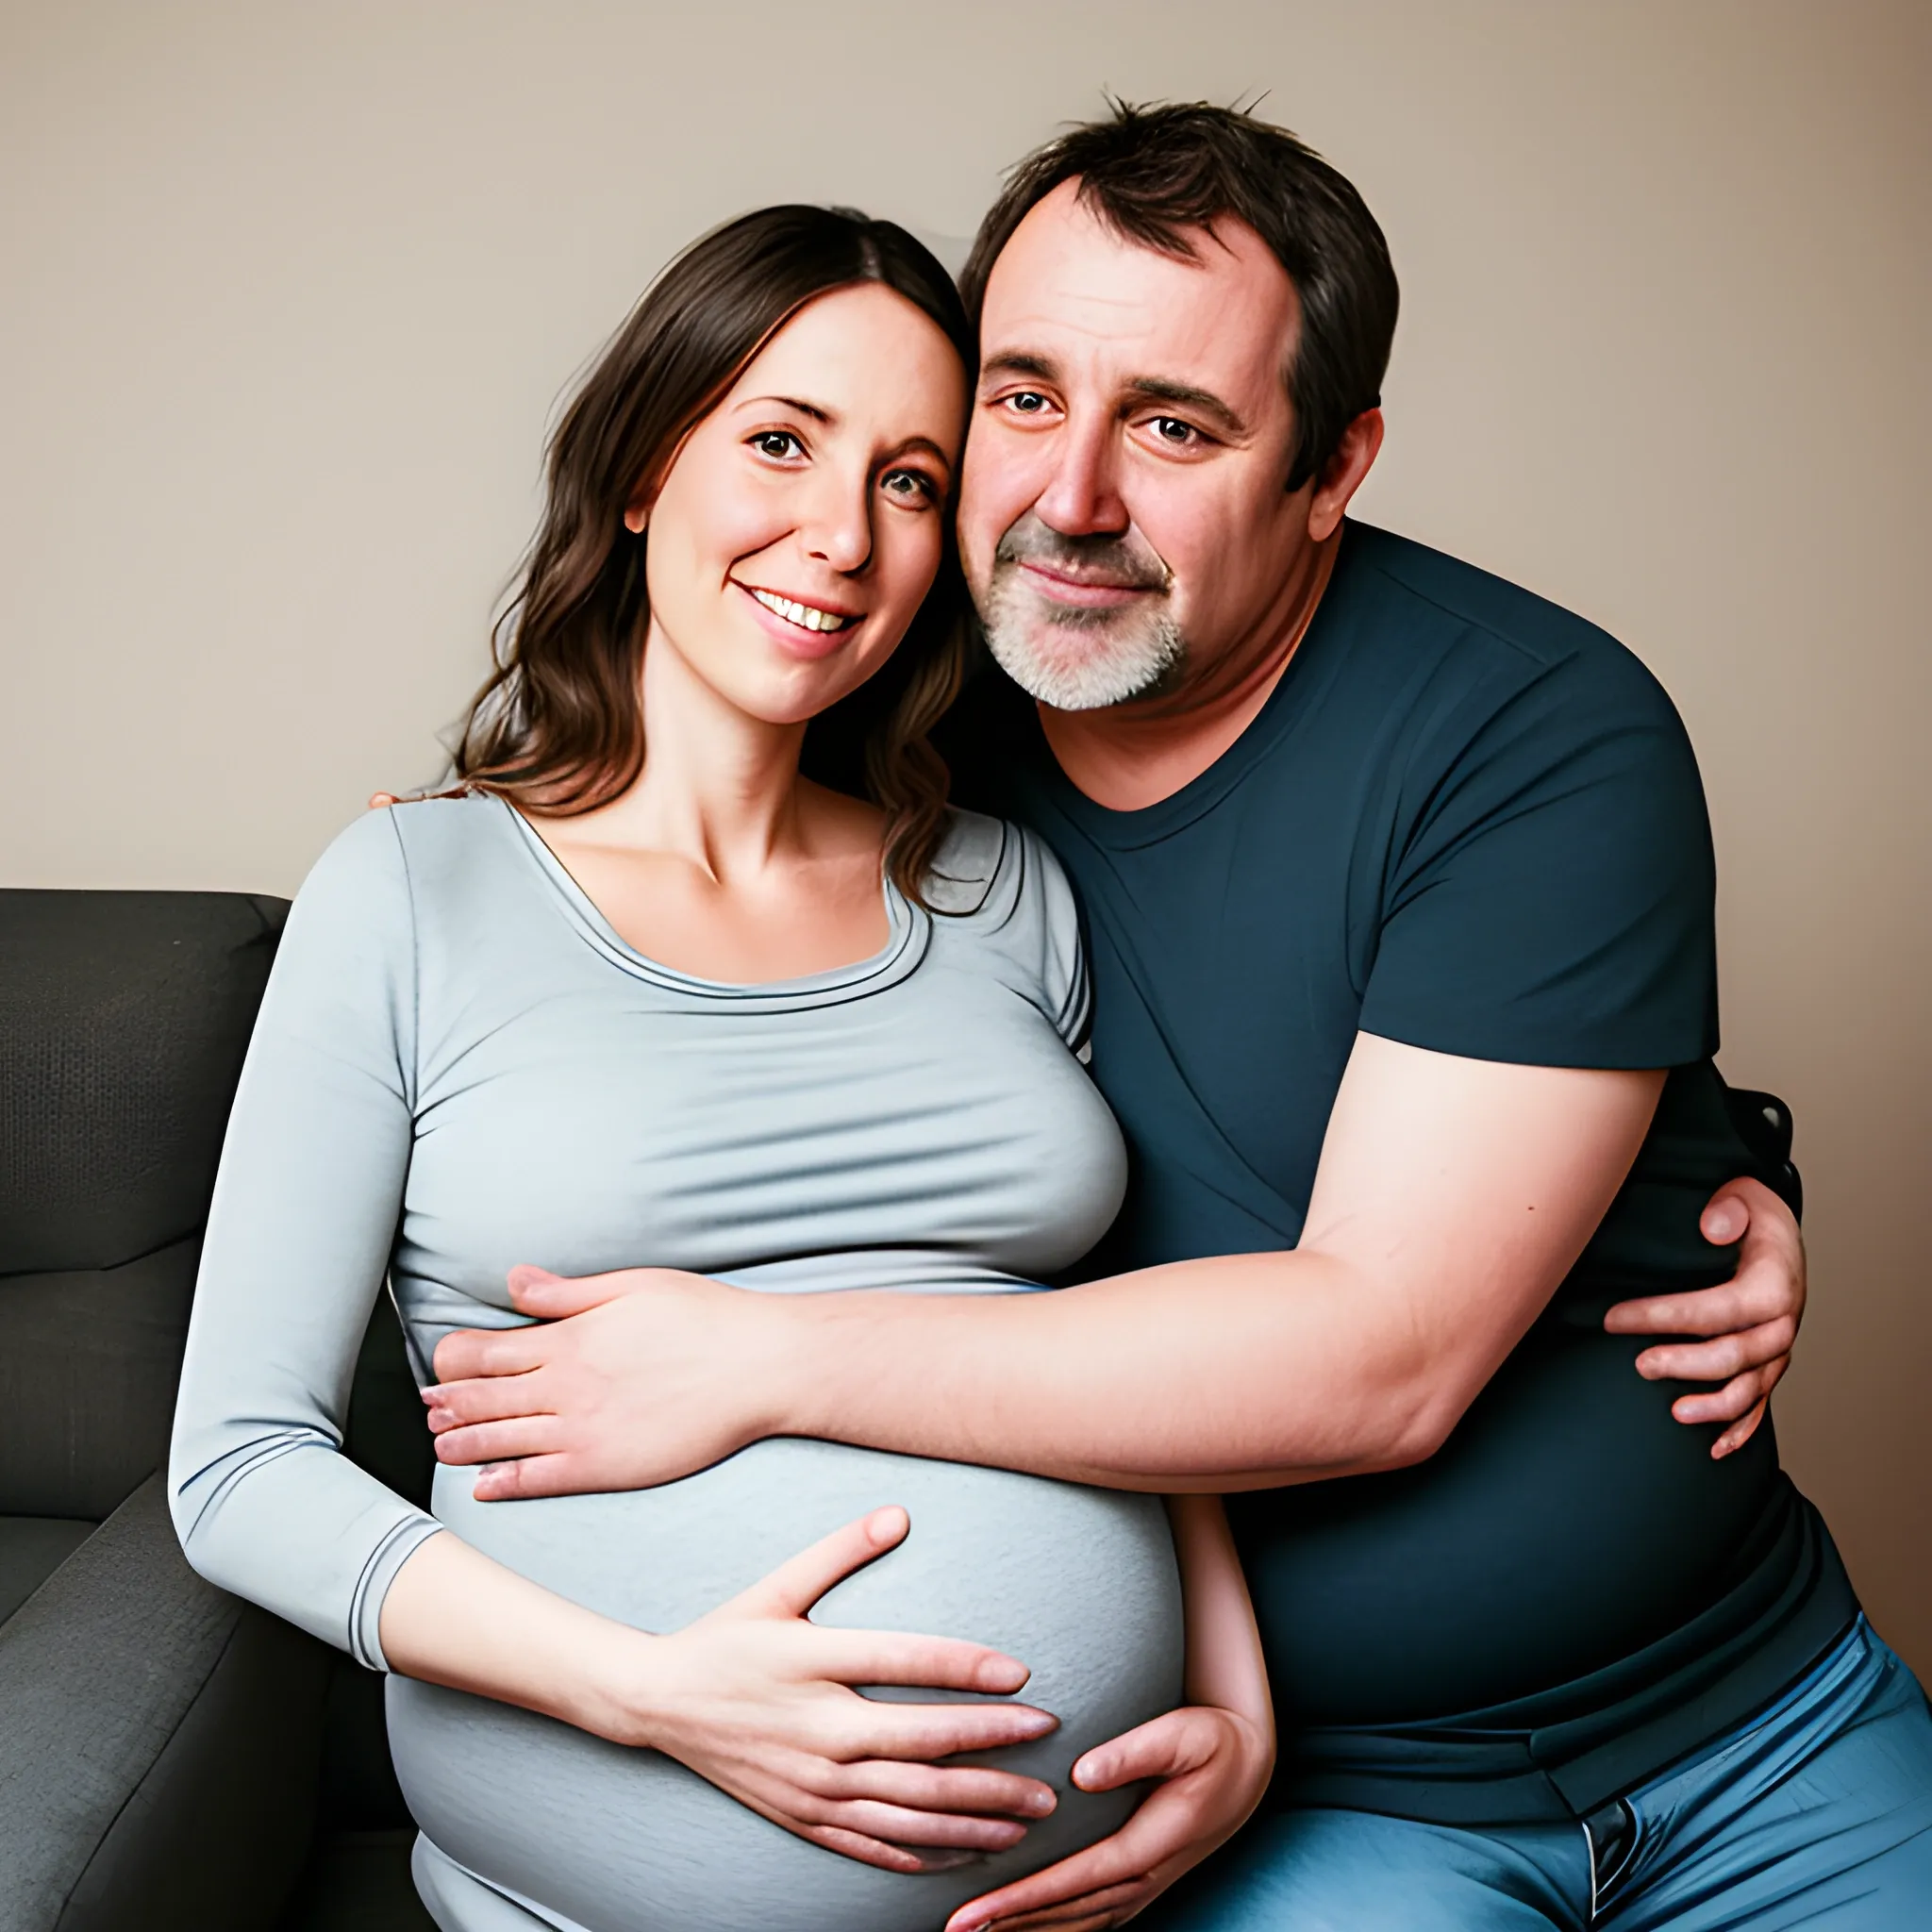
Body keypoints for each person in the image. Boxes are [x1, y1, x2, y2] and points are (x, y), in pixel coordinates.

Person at [415, 107, 1932, 1929]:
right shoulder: (884, 718)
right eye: (1026, 395)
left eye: (1177, 425)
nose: (1070, 500)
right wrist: (456, 832)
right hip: (1313, 1808)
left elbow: (1384, 1351)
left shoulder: (1534, 726)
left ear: (1333, 465)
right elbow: (599, 885)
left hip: (1754, 1722)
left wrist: (768, 1351)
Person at [171, 206, 1276, 1932]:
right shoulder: (415, 889)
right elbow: (237, 1466)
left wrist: (1233, 1696)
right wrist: (652, 1691)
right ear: (638, 470)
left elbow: (1127, 1329)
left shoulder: (1005, 887)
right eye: (780, 442)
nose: (838, 536)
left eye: (911, 481)